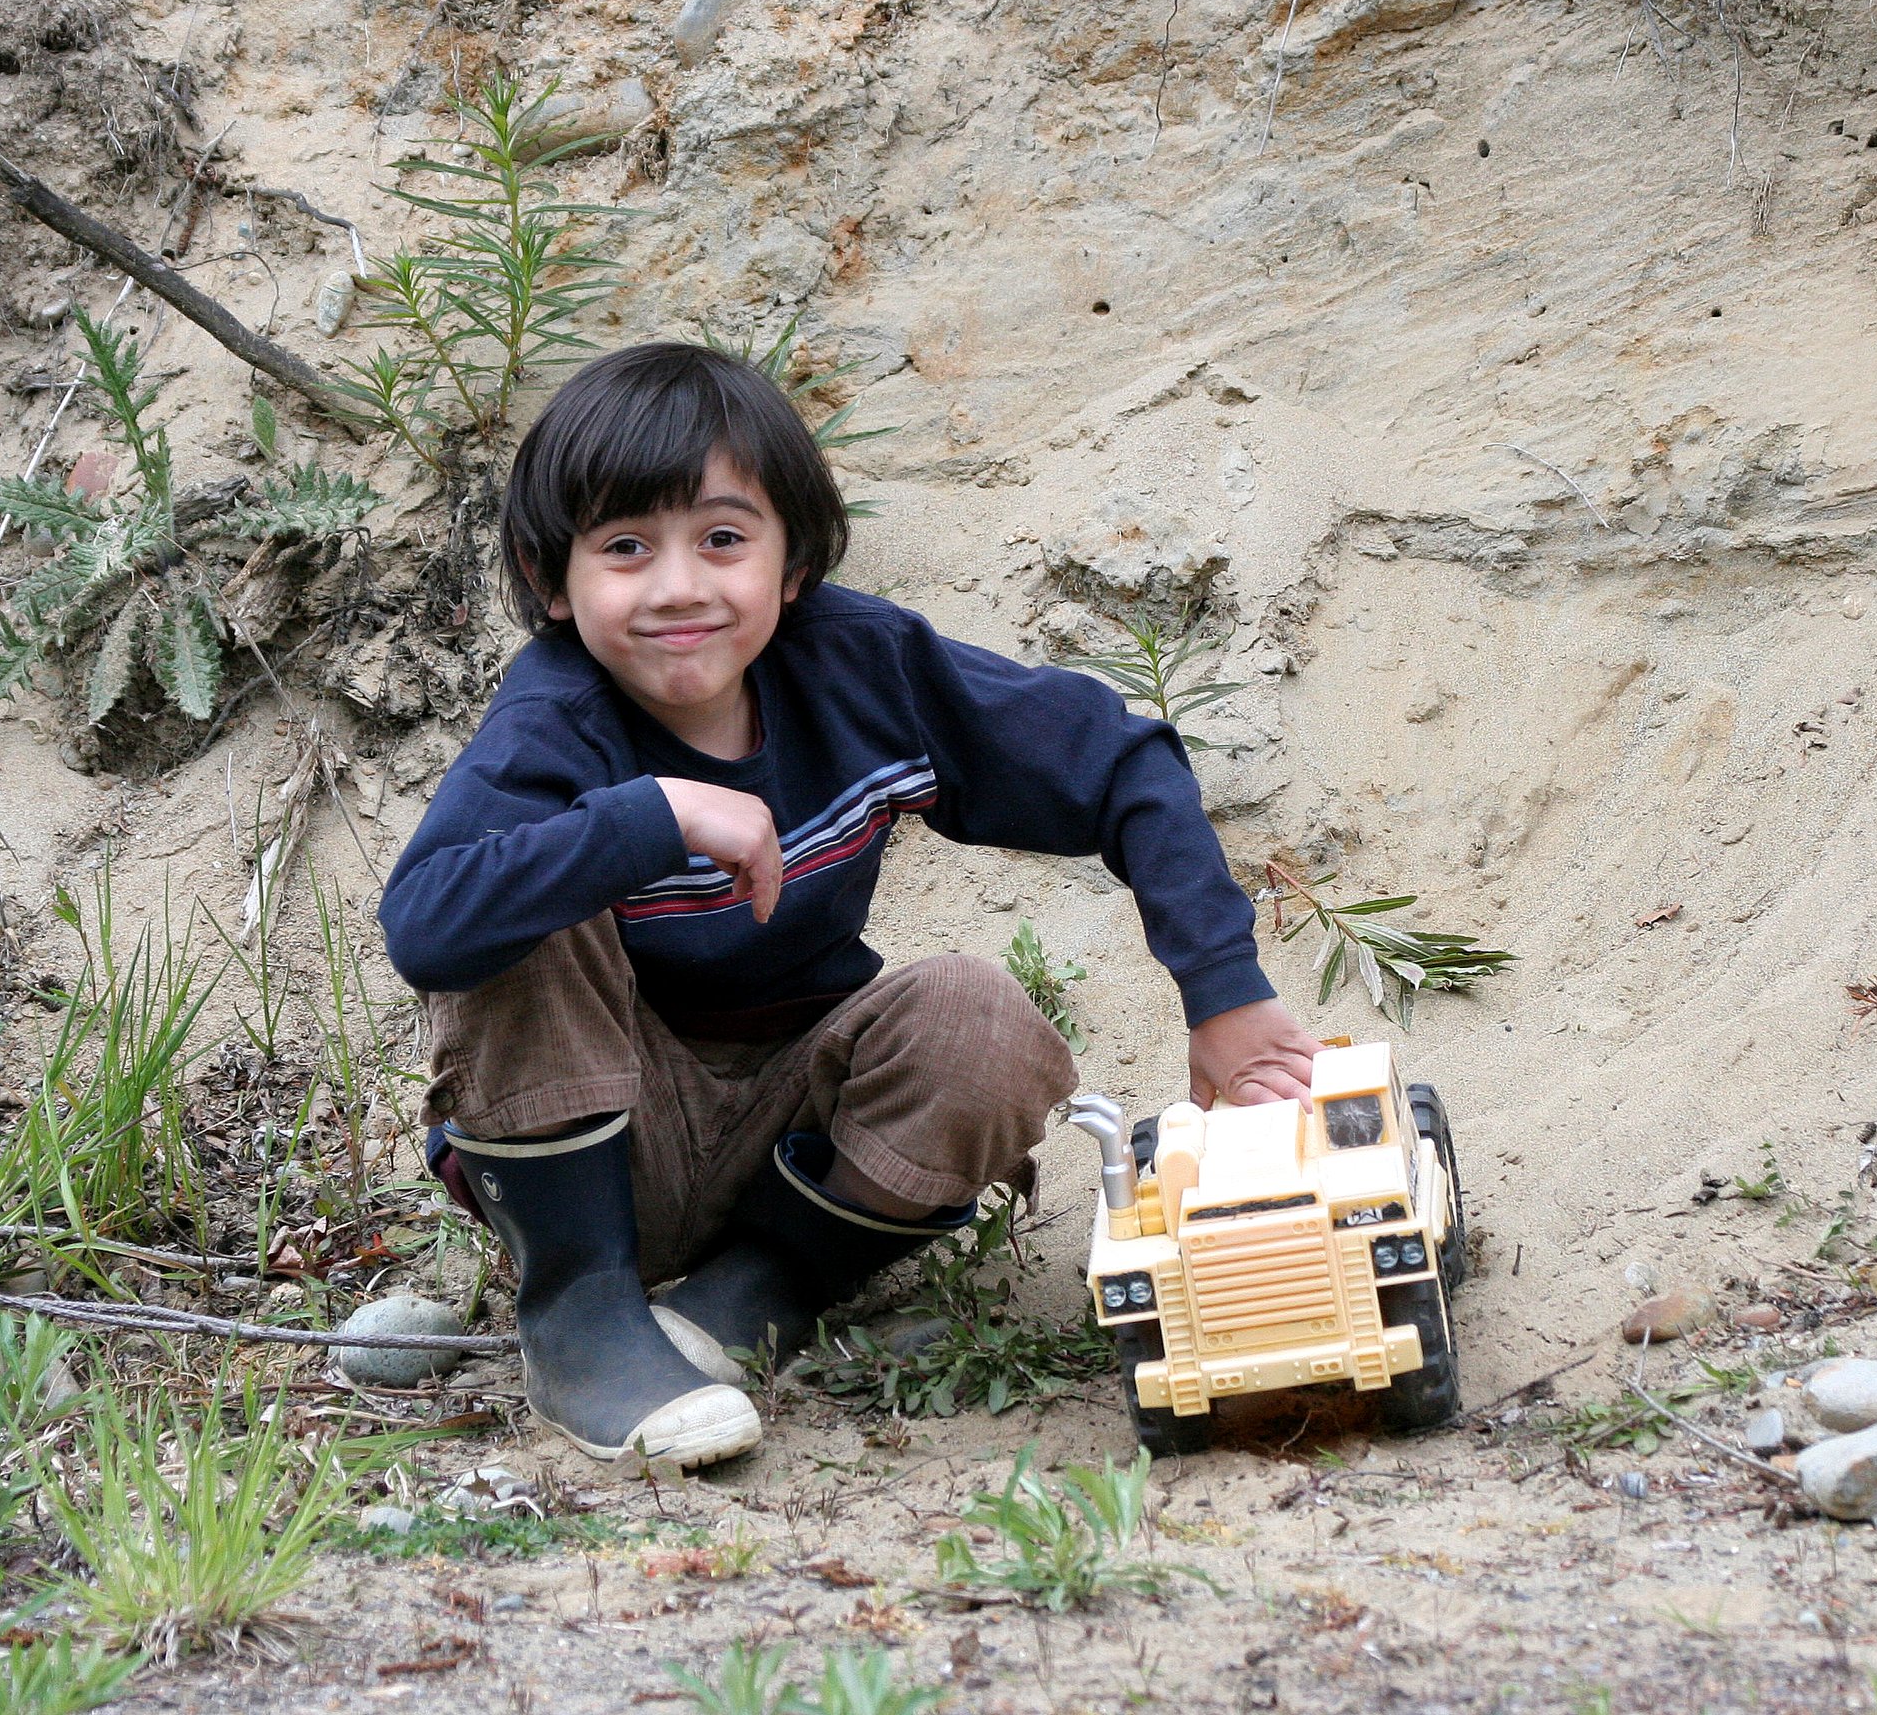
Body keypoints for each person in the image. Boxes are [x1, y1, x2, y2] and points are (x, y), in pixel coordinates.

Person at [377, 342, 1317, 1471]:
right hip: (595, 1149)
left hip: (794, 1133)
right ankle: (581, 1315)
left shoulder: (859, 669)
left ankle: (762, 1289)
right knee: (524, 895)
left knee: (979, 1016)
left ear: (793, 563)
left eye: (723, 539)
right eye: (625, 548)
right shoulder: (554, 722)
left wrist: (1225, 993)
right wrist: (651, 819)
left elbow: (1119, 766)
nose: (679, 585)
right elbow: (426, 921)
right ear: (550, 580)